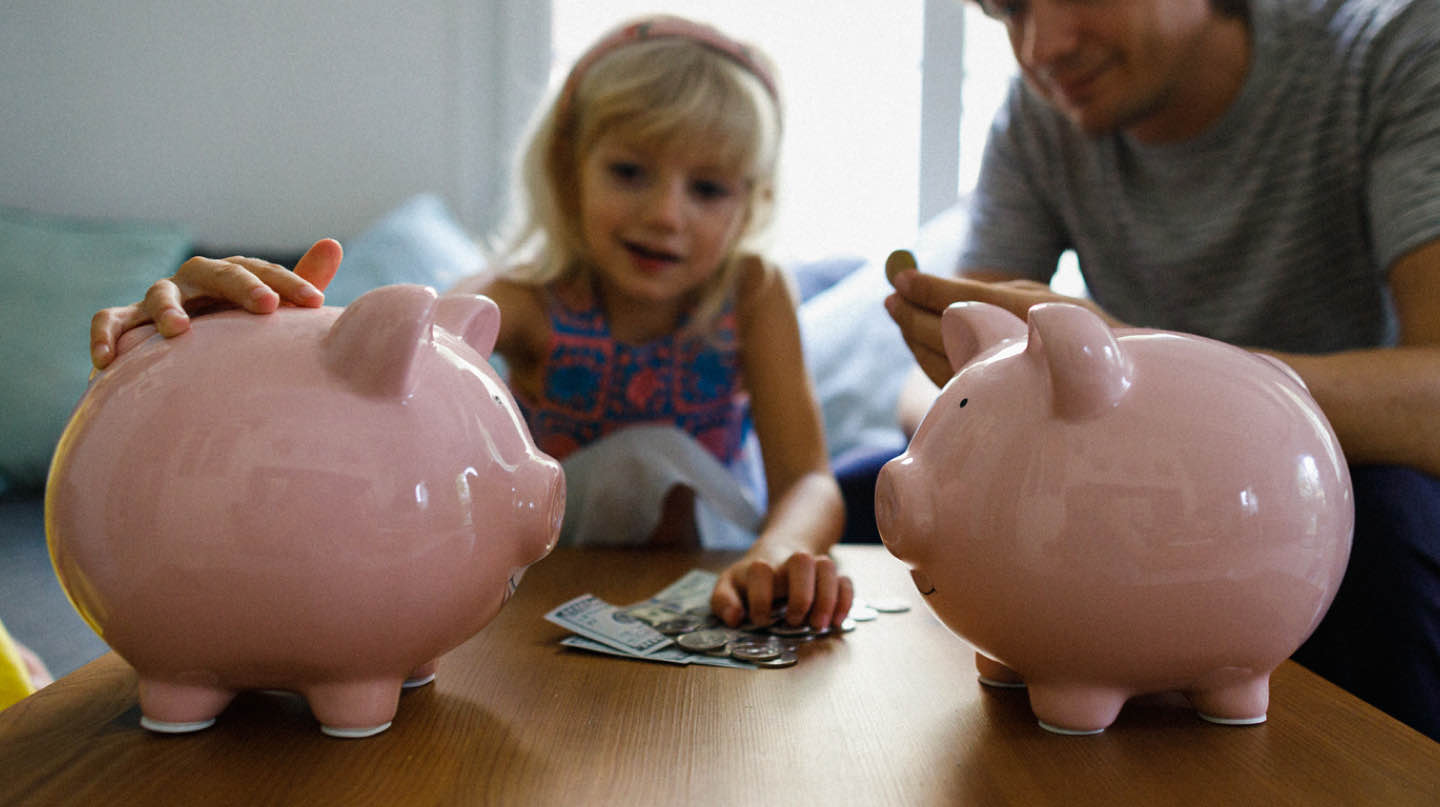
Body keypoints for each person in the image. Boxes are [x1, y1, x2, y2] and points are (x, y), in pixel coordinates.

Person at [88, 16, 852, 632]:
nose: (665, 213)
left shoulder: (753, 292)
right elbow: (394, 353)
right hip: (544, 601)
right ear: (567, 163)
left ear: (751, 203)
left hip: (719, 578)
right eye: (630, 171)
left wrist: (777, 553)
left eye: (709, 187)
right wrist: (235, 336)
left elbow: (809, 476)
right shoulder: (525, 302)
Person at [886, 0, 1440, 739]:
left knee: (1390, 519)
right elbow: (946, 380)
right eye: (1009, 10)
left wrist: (1153, 370)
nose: (1040, 47)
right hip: (1122, 453)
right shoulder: (1044, 114)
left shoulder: (1393, 49)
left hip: (1342, 480)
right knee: (863, 486)